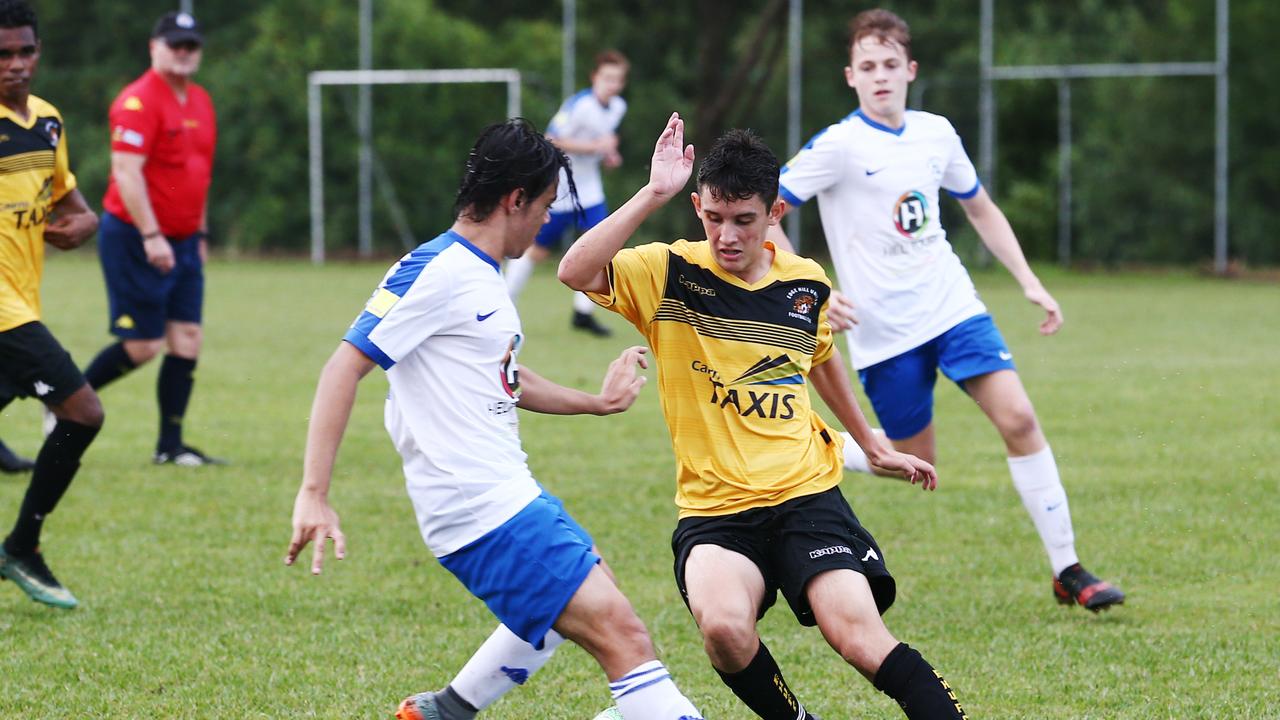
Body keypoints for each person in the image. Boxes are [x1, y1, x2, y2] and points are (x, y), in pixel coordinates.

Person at [285, 118, 704, 720]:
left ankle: (446, 710)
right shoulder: (436, 268)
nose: (545, 223)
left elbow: (502, 375)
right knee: (626, 638)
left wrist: (595, 401)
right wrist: (314, 492)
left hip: (505, 492)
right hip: (479, 506)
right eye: (545, 207)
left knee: (590, 592)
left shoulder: (481, 274)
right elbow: (341, 368)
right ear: (515, 200)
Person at [559, 114, 969, 720]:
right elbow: (574, 271)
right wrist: (652, 193)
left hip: (807, 497)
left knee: (858, 638)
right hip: (716, 512)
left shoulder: (804, 284)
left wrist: (871, 445)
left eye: (744, 220)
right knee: (723, 629)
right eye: (714, 218)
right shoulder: (667, 273)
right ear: (697, 206)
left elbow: (822, 359)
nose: (727, 235)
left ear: (775, 212)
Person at [769, 8, 1124, 612]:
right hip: (884, 333)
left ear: (909, 70)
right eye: (866, 67)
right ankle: (819, 444)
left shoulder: (937, 133)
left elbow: (981, 208)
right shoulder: (838, 146)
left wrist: (1029, 281)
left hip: (953, 307)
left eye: (889, 65)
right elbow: (770, 210)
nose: (879, 75)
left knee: (1019, 420)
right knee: (916, 461)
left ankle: (1068, 569)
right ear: (850, 77)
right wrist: (812, 292)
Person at [80, 10, 220, 466]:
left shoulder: (200, 100)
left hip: (182, 239)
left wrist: (197, 230)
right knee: (143, 345)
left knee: (187, 339)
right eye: (174, 44)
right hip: (137, 237)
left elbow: (198, 174)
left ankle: (170, 447)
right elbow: (126, 172)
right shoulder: (138, 101)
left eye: (190, 45)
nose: (183, 53)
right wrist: (152, 234)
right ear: (153, 47)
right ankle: (65, 399)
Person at [0, 0, 104, 610]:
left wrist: (85, 222)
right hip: (7, 312)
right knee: (83, 412)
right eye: (3, 55)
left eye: (25, 51)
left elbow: (69, 200)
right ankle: (23, 546)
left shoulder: (46, 122)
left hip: (22, 296)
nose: (16, 65)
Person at [503, 50, 629, 338]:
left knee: (601, 247)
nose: (612, 84)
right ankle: (503, 302)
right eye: (607, 78)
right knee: (535, 251)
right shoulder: (579, 106)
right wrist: (595, 148)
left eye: (617, 79)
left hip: (590, 191)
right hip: (561, 189)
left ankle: (583, 313)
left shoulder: (618, 107)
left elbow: (605, 141)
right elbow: (551, 140)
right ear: (595, 77)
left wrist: (610, 154)